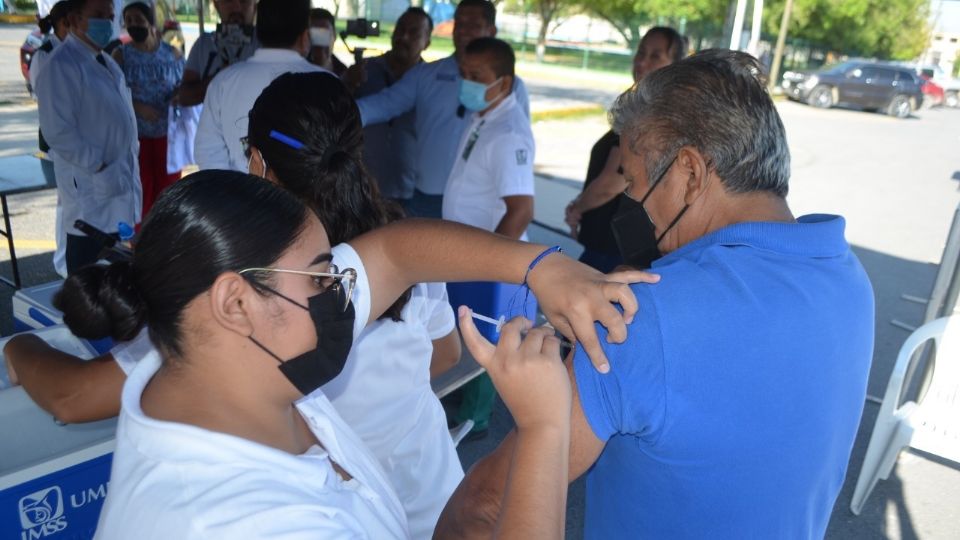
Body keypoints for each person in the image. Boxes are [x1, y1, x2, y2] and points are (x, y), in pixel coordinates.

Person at [48, 170, 650, 538]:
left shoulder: (208, 356)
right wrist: (545, 427)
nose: (340, 288)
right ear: (236, 302)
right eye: (319, 276)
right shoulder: (244, 523)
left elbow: (394, 253)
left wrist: (544, 266)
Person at [437, 50, 875, 539]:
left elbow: (487, 505)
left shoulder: (638, 319)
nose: (629, 200)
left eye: (633, 179)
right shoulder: (849, 278)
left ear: (689, 173)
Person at [440, 37, 535, 440]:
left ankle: (476, 419)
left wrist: (489, 263)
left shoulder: (509, 133)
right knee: (465, 325)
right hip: (467, 251)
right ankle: (461, 401)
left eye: (476, 77)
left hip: (488, 257)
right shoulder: (485, 114)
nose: (467, 83)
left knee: (483, 331)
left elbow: (520, 210)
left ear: (505, 82)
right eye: (464, 74)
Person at [356, 0, 529, 218]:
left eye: (473, 25)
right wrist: (341, 112)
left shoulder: (511, 87)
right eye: (460, 23)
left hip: (481, 201)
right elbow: (381, 104)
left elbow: (519, 145)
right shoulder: (426, 75)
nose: (464, 31)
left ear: (491, 30)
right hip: (427, 198)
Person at [564, 26, 685, 273]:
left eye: (655, 56)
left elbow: (612, 183)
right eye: (641, 52)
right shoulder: (647, 108)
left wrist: (578, 208)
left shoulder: (652, 116)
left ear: (675, 65)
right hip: (617, 248)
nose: (642, 62)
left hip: (619, 251)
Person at [36, 0, 142, 274]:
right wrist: (98, 165)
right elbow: (57, 131)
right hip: (92, 191)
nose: (106, 23)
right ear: (73, 19)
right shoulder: (60, 65)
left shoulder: (104, 60)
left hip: (116, 187)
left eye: (109, 16)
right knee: (89, 282)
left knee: (117, 277)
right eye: (97, 16)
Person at [195, 0, 322, 172]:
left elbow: (209, 155)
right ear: (305, 36)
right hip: (307, 196)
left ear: (258, 30)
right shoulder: (328, 83)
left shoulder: (223, 83)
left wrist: (232, 196)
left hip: (238, 195)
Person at [345, 7, 432, 204]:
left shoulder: (431, 80)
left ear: (427, 42)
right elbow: (340, 112)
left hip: (409, 191)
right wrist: (349, 83)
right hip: (362, 187)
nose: (404, 37)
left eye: (414, 32)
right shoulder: (364, 69)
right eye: (400, 29)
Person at [113, 0, 184, 217]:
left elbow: (184, 86)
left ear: (151, 22)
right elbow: (112, 94)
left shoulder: (172, 54)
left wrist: (177, 98)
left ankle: (166, 237)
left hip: (167, 137)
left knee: (169, 191)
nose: (134, 25)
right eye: (129, 21)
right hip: (136, 137)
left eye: (139, 20)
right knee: (141, 190)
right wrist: (137, 106)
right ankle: (141, 241)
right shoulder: (121, 55)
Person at [29, 0, 70, 276]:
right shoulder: (45, 54)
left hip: (80, 138)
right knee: (67, 203)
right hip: (61, 143)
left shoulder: (81, 52)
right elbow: (44, 99)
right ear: (64, 23)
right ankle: (64, 264)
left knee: (80, 203)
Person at [178, 0, 257, 106]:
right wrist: (219, 78)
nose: (237, 7)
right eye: (228, 1)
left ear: (255, 7)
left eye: (244, 1)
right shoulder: (204, 44)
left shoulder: (269, 44)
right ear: (216, 5)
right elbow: (184, 97)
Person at [306, 8, 347, 76]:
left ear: (334, 36)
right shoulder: (295, 73)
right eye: (314, 35)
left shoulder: (343, 72)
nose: (319, 42)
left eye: (324, 34)